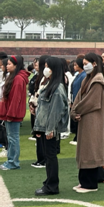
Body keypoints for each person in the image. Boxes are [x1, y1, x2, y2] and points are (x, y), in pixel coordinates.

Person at [70, 53, 104, 192]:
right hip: (84, 118)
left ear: (95, 63)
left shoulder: (98, 80)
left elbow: (91, 102)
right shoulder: (88, 78)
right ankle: (83, 181)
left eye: (87, 63)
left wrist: (76, 110)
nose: (85, 66)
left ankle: (90, 184)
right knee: (84, 149)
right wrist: (74, 112)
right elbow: (79, 97)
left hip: (92, 120)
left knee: (91, 150)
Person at [33, 57, 69, 195]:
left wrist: (50, 129)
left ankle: (52, 186)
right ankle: (49, 183)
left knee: (50, 156)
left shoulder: (57, 88)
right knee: (48, 156)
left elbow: (55, 111)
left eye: (48, 66)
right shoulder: (49, 84)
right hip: (44, 126)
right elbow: (43, 109)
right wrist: (39, 128)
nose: (45, 69)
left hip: (50, 128)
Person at [0, 56, 29, 171]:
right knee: (11, 138)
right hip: (9, 113)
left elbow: (16, 99)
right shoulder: (14, 77)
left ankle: (13, 162)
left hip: (13, 115)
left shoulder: (18, 79)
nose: (7, 66)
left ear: (16, 66)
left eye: (9, 64)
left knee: (13, 139)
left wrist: (10, 115)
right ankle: (11, 161)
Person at [28, 55, 49, 168]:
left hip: (43, 110)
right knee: (39, 137)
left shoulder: (47, 79)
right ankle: (40, 158)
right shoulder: (39, 77)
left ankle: (43, 159)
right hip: (37, 109)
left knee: (42, 137)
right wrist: (32, 103)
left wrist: (34, 102)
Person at [69, 58, 86, 145]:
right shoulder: (78, 75)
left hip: (79, 100)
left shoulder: (83, 76)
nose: (74, 66)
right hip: (75, 99)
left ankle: (79, 138)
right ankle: (77, 136)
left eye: (76, 65)